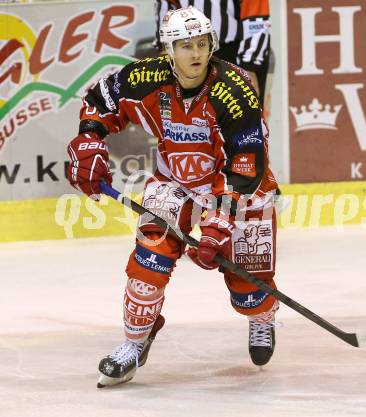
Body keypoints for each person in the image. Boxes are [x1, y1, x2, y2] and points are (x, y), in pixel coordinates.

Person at [67, 6, 279, 388]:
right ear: (168, 49)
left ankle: (263, 319)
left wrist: (217, 223)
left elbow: (246, 166)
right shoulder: (146, 77)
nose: (196, 53)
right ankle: (134, 342)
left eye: (202, 44)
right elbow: (101, 101)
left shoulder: (235, 90)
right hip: (175, 182)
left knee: (251, 288)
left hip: (235, 186)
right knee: (148, 263)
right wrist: (88, 140)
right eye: (185, 45)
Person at [154, 0, 271, 107]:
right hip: (188, 48)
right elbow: (167, 6)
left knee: (240, 115)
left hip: (235, 51)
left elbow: (256, 16)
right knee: (189, 116)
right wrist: (167, 51)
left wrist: (249, 66)